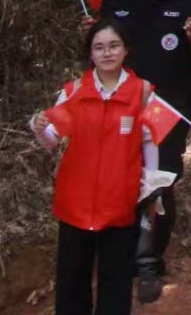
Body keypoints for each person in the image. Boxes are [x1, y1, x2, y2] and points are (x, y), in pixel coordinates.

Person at [93, 0, 191, 301]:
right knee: (121, 176)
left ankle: (148, 263)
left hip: (169, 104)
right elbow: (100, 49)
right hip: (123, 105)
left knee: (159, 179)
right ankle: (121, 253)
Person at [30, 18, 160, 315]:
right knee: (71, 284)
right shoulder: (74, 91)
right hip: (75, 204)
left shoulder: (144, 93)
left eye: (114, 46)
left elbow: (151, 141)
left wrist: (152, 188)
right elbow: (51, 139)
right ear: (90, 53)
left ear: (126, 49)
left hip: (120, 203)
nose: (107, 53)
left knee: (115, 284)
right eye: (99, 47)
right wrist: (38, 128)